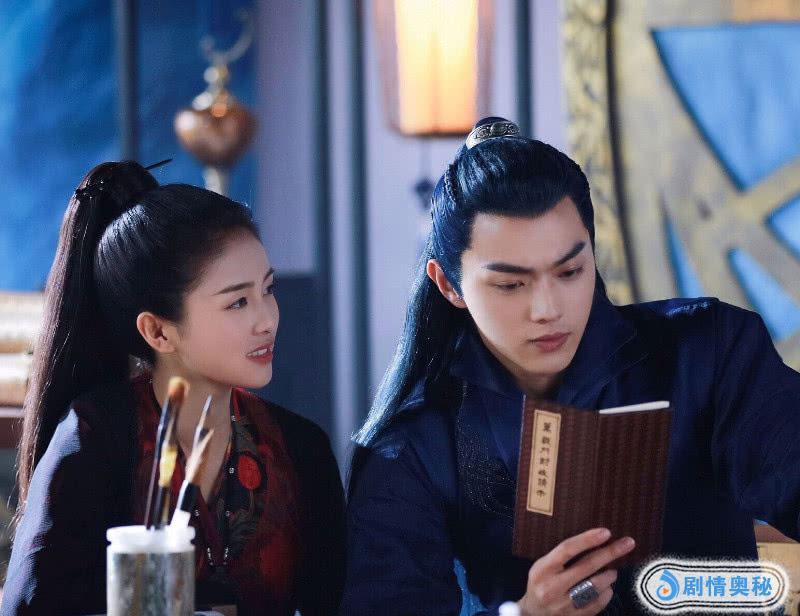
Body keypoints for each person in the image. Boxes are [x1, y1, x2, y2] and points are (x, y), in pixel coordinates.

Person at [340, 117, 800, 615]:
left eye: (569, 271)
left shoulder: (707, 352)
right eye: (511, 284)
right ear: (449, 285)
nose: (548, 309)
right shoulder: (413, 444)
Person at [3, 161, 345, 615]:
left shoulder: (301, 450)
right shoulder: (98, 440)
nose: (267, 319)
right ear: (159, 332)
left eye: (268, 290)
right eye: (238, 302)